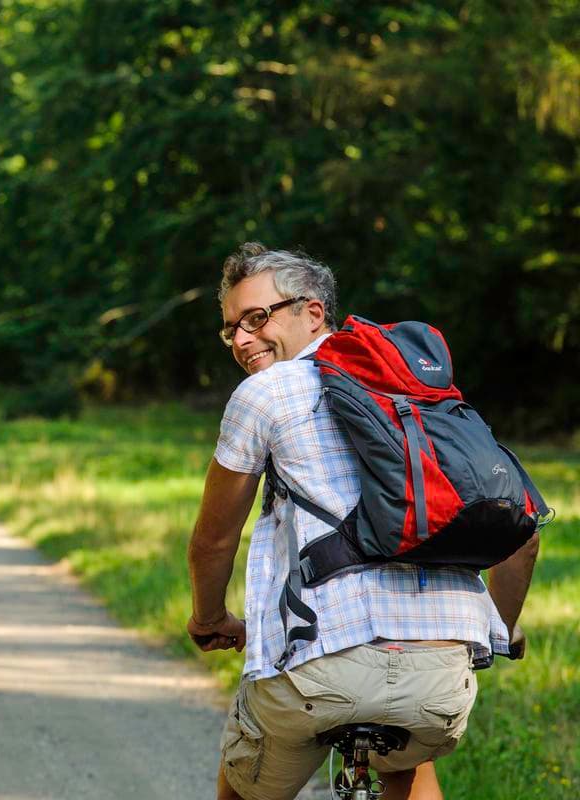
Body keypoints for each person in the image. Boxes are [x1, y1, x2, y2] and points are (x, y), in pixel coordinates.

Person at [186, 243, 539, 800]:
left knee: (242, 786)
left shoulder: (265, 393)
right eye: (231, 329)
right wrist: (502, 626)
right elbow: (518, 532)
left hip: (319, 675)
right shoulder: (423, 394)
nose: (243, 339)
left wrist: (209, 618)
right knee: (407, 757)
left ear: (313, 312)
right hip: (443, 679)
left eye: (257, 318)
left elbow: (213, 540)